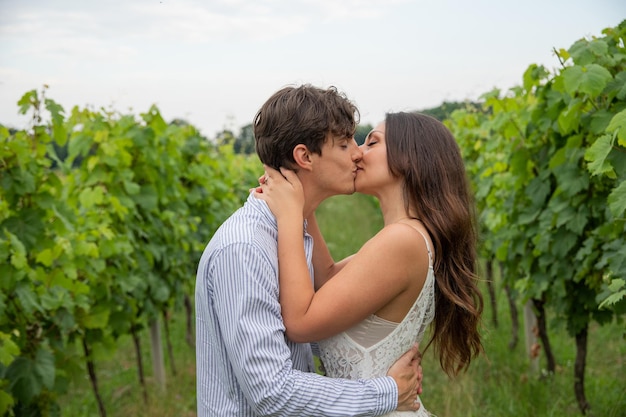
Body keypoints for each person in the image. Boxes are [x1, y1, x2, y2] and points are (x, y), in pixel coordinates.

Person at [195, 85, 425, 417]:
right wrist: (386, 392)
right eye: (344, 144)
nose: (357, 154)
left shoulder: (290, 234)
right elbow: (271, 391)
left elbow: (295, 340)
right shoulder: (244, 249)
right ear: (305, 157)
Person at [255, 111, 484, 416]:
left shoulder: (402, 241)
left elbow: (300, 322)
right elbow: (329, 278)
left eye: (372, 142)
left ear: (409, 158)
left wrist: (287, 216)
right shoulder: (408, 235)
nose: (359, 152)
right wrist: (303, 203)